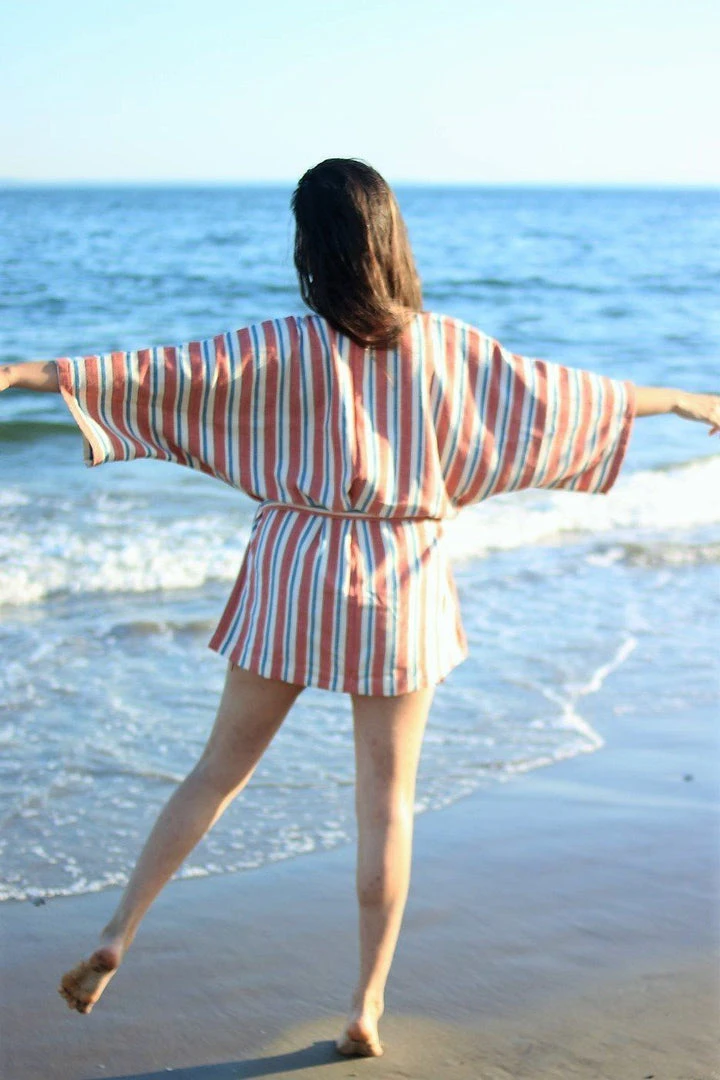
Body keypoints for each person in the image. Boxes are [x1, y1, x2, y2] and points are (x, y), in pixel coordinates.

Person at [1, 158, 718, 1059]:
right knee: (387, 806)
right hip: (403, 577)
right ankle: (366, 1006)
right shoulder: (451, 348)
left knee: (216, 772)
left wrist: (17, 372)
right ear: (389, 238)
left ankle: (120, 929)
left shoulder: (278, 346)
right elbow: (562, 396)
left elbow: (151, 374)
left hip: (294, 566)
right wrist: (683, 399)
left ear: (311, 248)